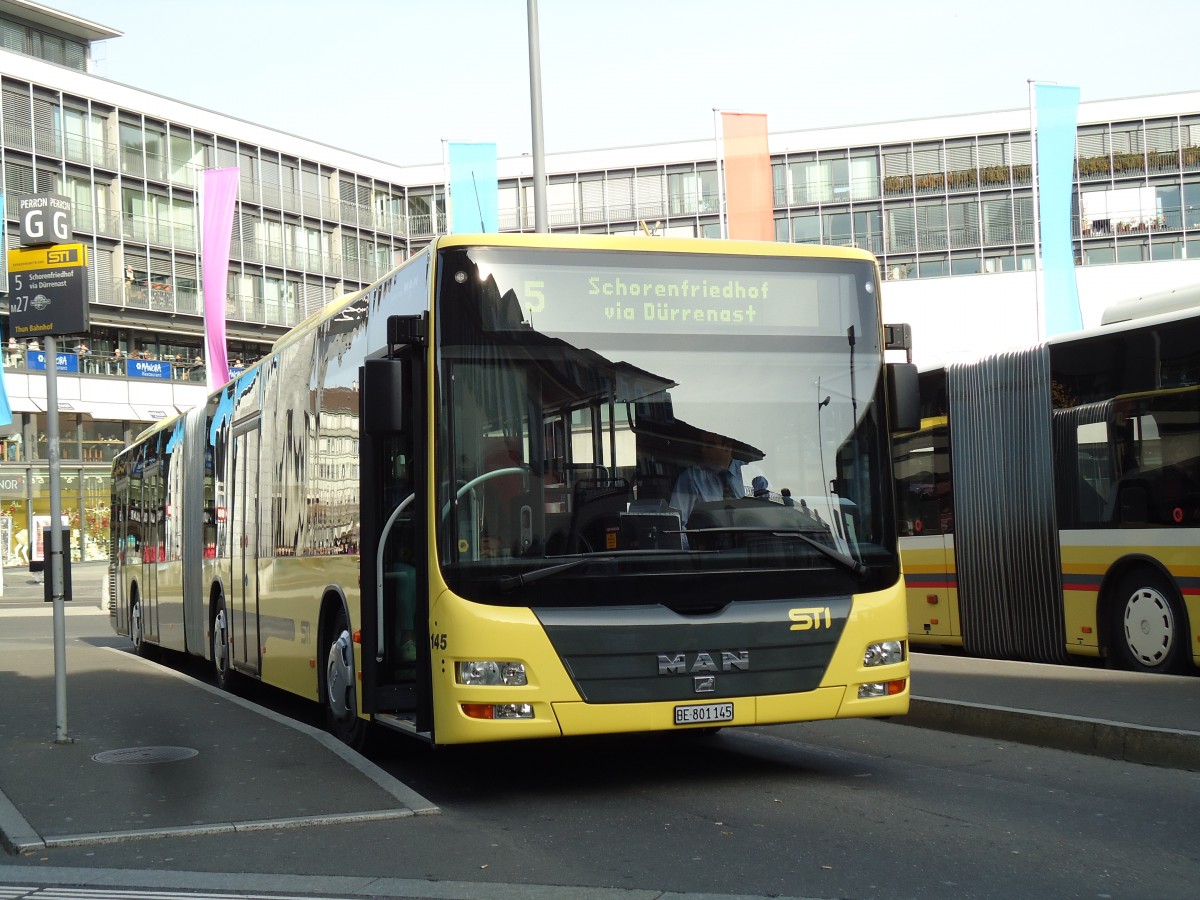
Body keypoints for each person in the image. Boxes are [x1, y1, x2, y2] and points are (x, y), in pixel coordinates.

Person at [669, 436, 744, 527]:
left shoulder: (749, 472)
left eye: (709, 445)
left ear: (727, 447)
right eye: (701, 445)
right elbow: (677, 523)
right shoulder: (691, 478)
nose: (703, 450)